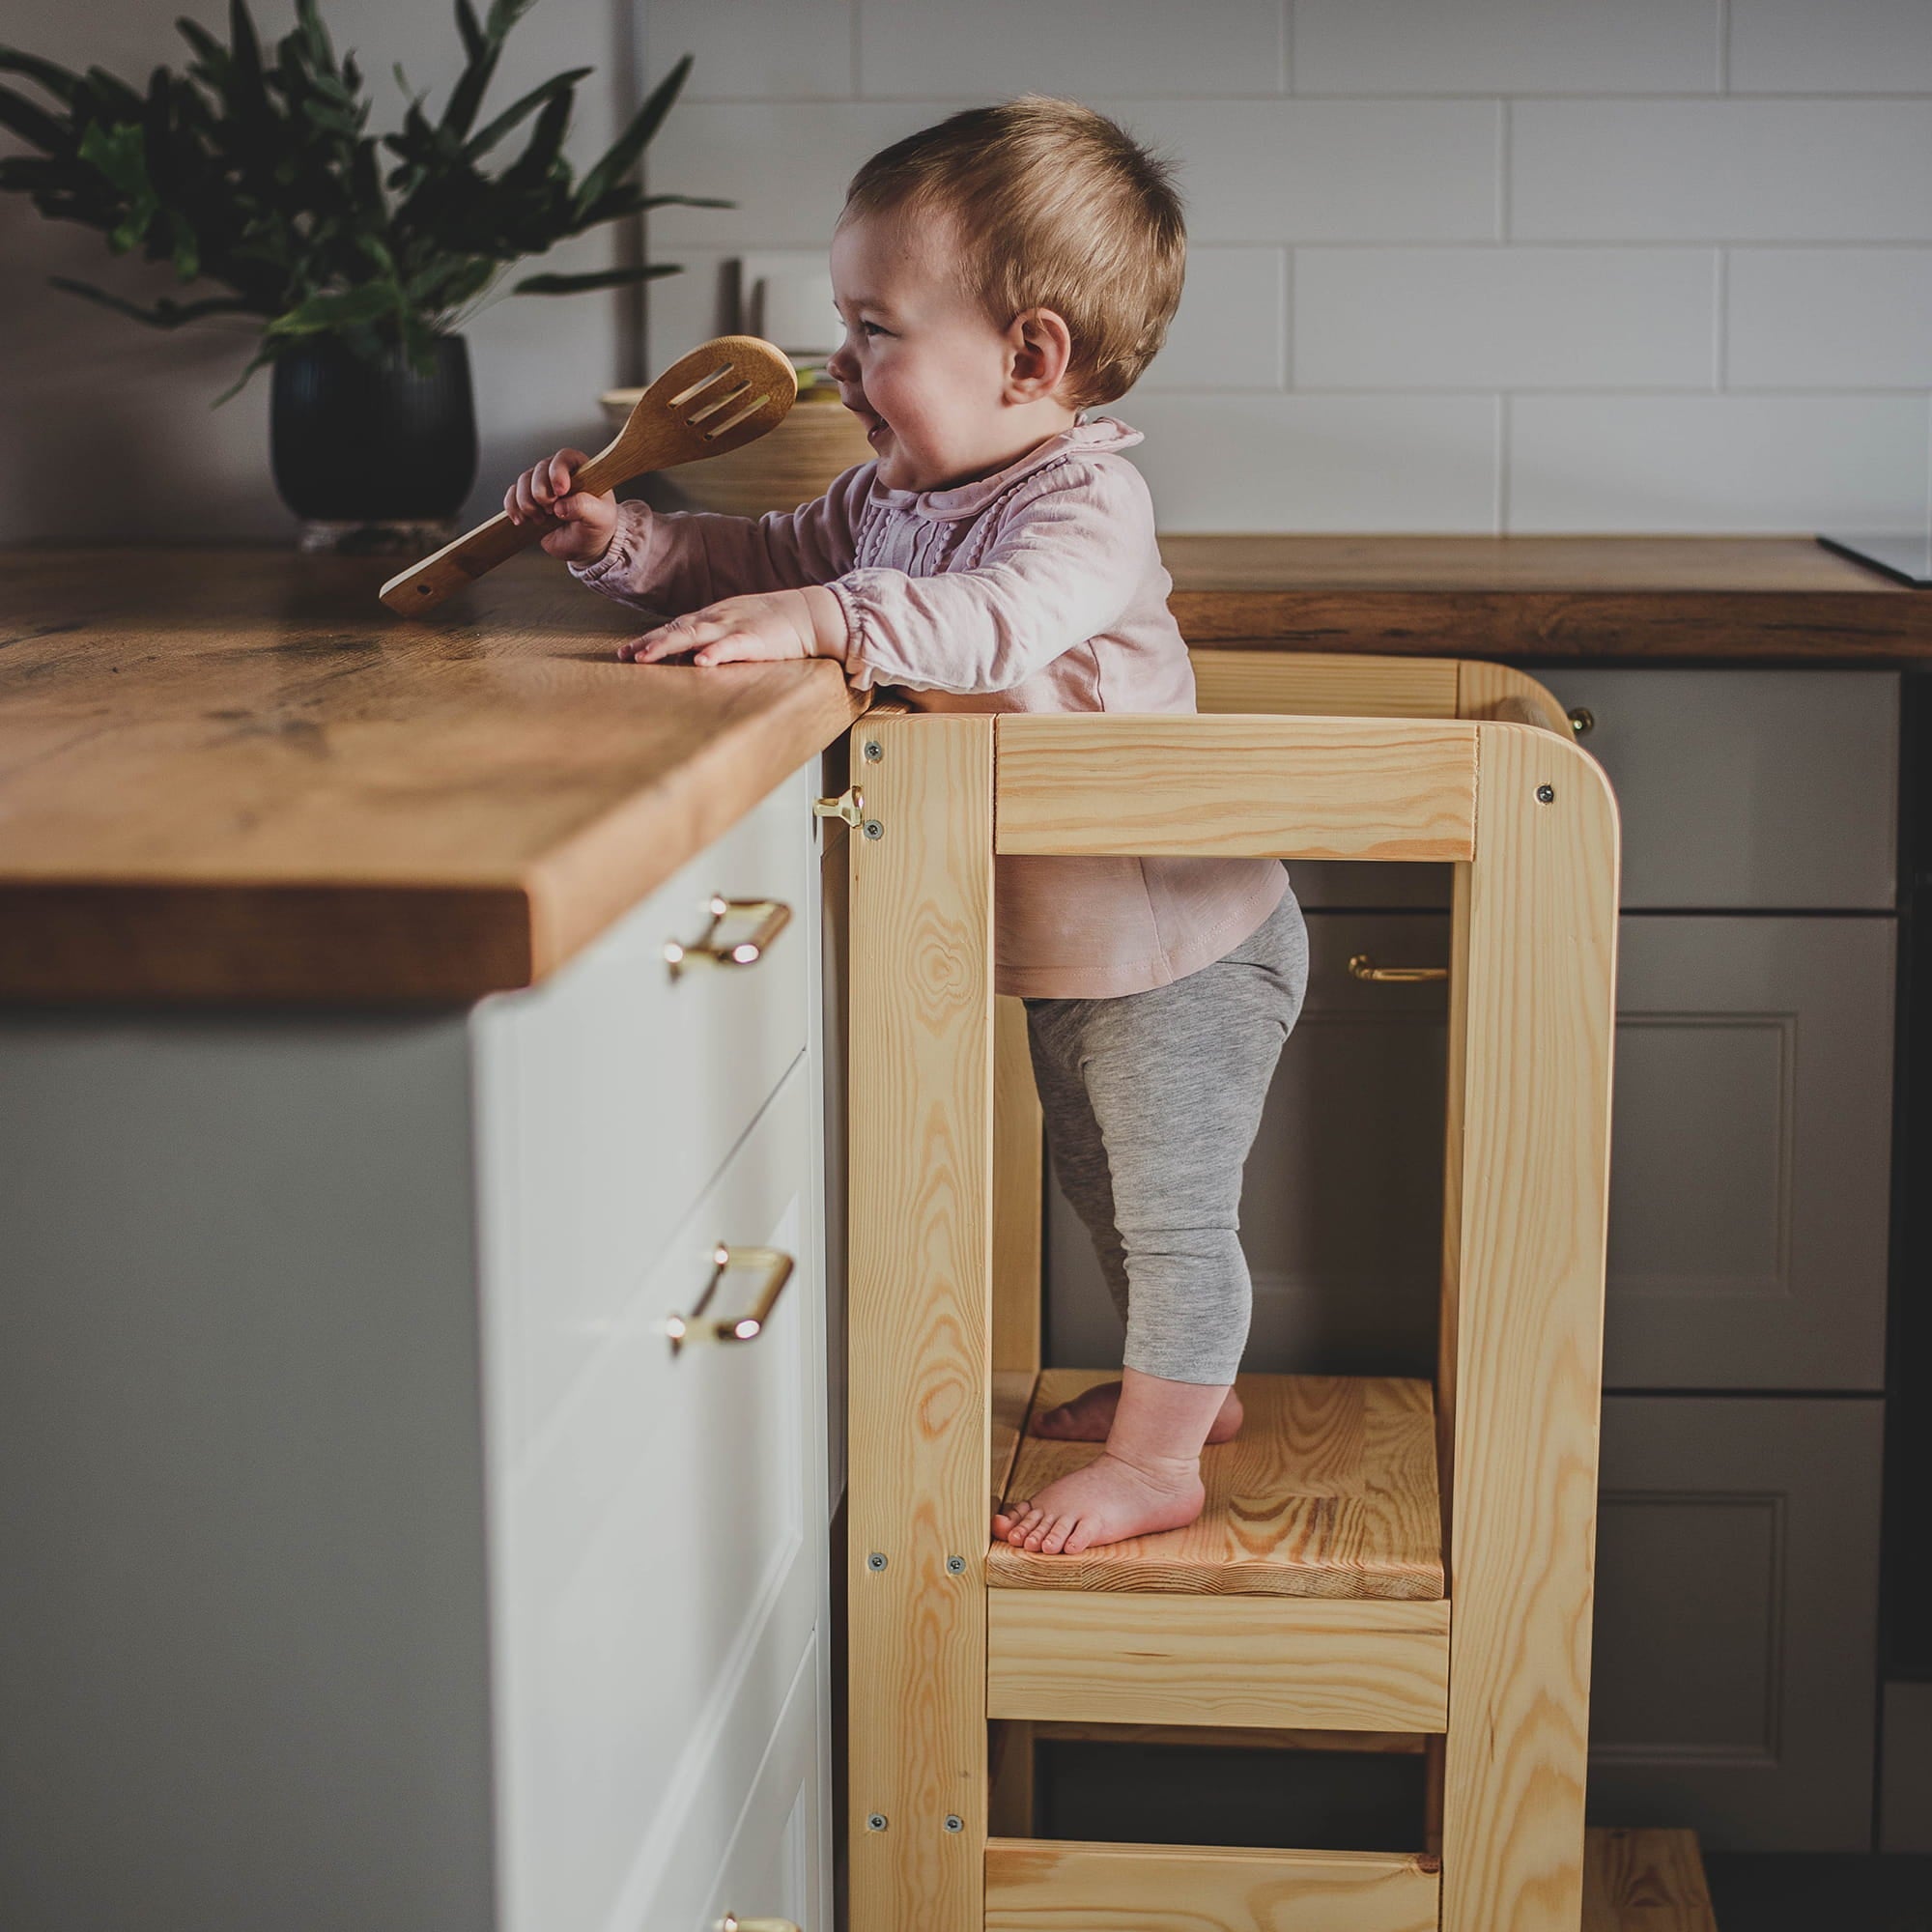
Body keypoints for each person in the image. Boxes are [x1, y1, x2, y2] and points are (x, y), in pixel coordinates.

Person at [503, 95, 1308, 1557]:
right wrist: (623, 541)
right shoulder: (894, 493)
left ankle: (1161, 1464)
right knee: (1102, 1187)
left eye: (877, 330)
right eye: (844, 321)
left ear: (1032, 355)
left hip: (1183, 935)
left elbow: (997, 625)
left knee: (1174, 1211)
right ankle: (1188, 1396)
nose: (838, 362)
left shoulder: (1084, 504)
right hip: (1076, 945)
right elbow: (754, 554)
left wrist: (825, 613)